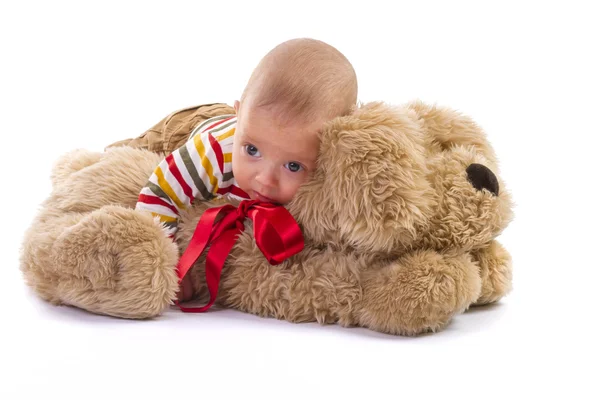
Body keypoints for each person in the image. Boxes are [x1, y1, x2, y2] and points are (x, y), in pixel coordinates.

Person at [133, 38, 358, 302]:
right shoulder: (214, 153)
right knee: (138, 152)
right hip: (187, 128)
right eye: (252, 151)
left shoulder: (327, 177)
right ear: (240, 116)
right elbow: (159, 193)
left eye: (293, 166)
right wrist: (167, 262)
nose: (264, 179)